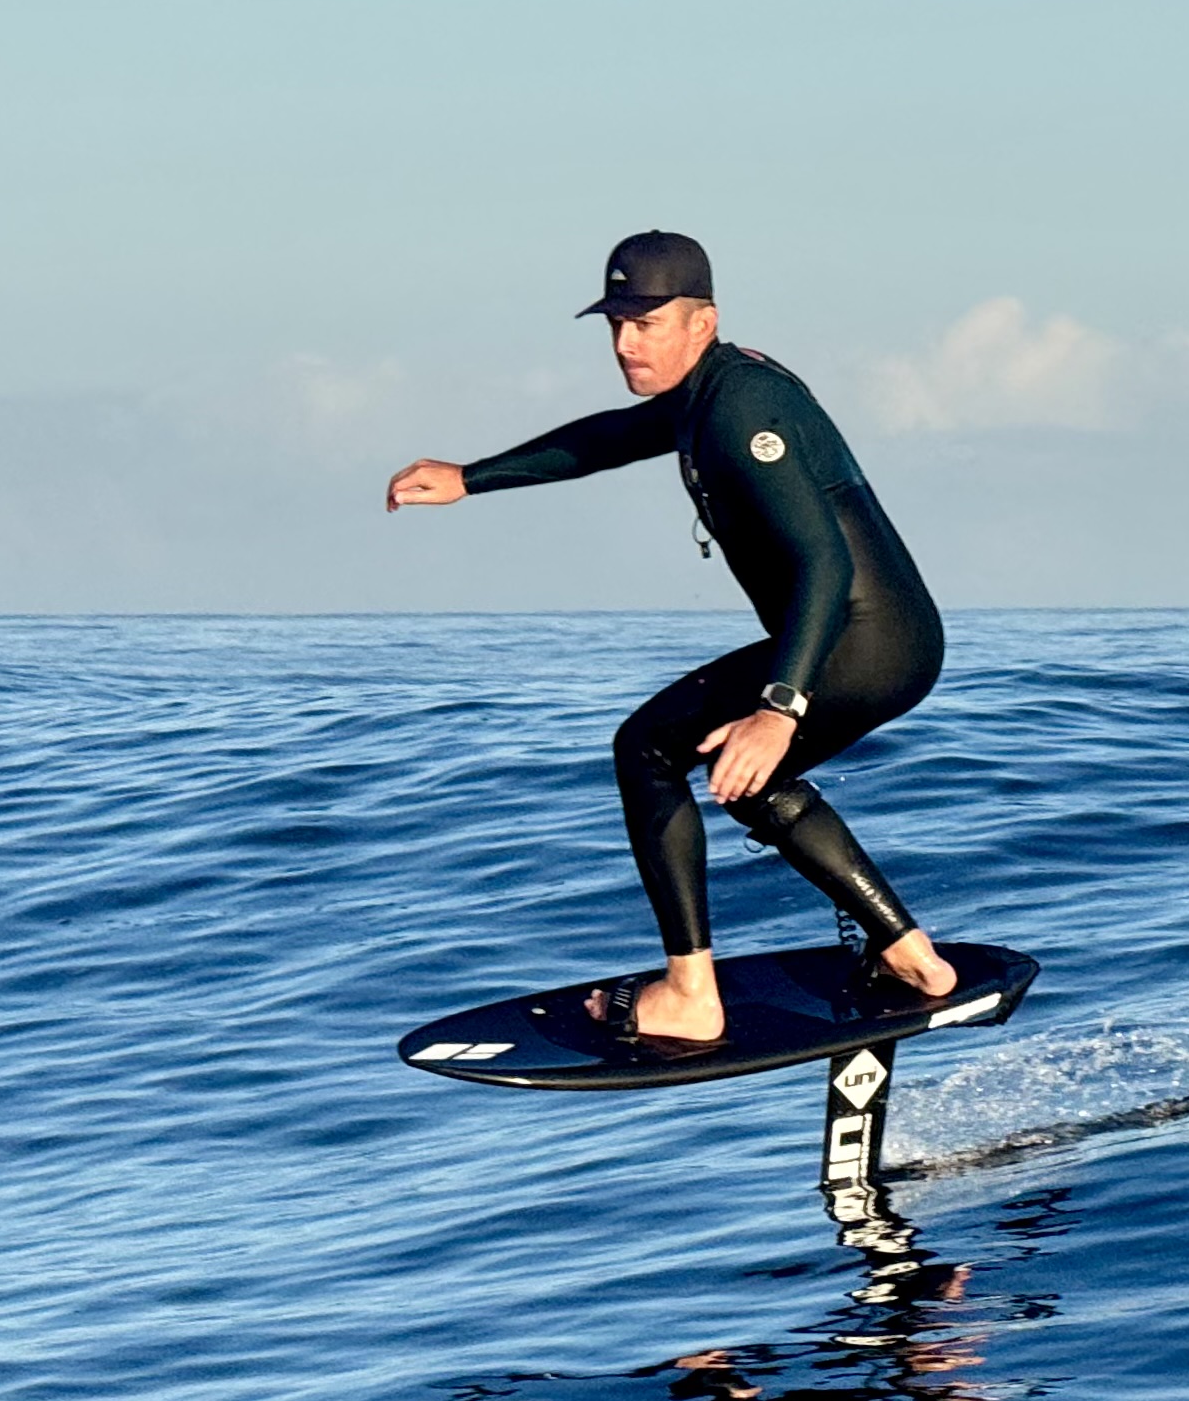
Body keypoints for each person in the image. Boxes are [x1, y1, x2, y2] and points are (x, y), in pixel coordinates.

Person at [386, 231, 956, 1044]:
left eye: (646, 322)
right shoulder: (709, 393)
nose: (625, 342)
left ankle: (691, 992)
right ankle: (908, 953)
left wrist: (780, 704)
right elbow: (610, 437)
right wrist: (473, 477)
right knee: (744, 773)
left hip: (858, 641)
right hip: (877, 643)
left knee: (649, 748)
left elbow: (823, 561)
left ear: (702, 321)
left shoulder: (739, 408)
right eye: (615, 322)